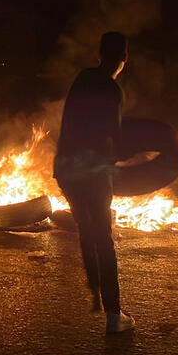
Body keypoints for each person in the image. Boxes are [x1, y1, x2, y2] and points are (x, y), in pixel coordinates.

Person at [54, 31, 135, 334]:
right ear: (124, 58)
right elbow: (114, 138)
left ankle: (95, 291)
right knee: (103, 236)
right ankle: (114, 315)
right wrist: (135, 155)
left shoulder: (83, 77)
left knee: (86, 229)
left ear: (99, 54)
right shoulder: (113, 91)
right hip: (93, 170)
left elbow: (70, 122)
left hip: (67, 168)